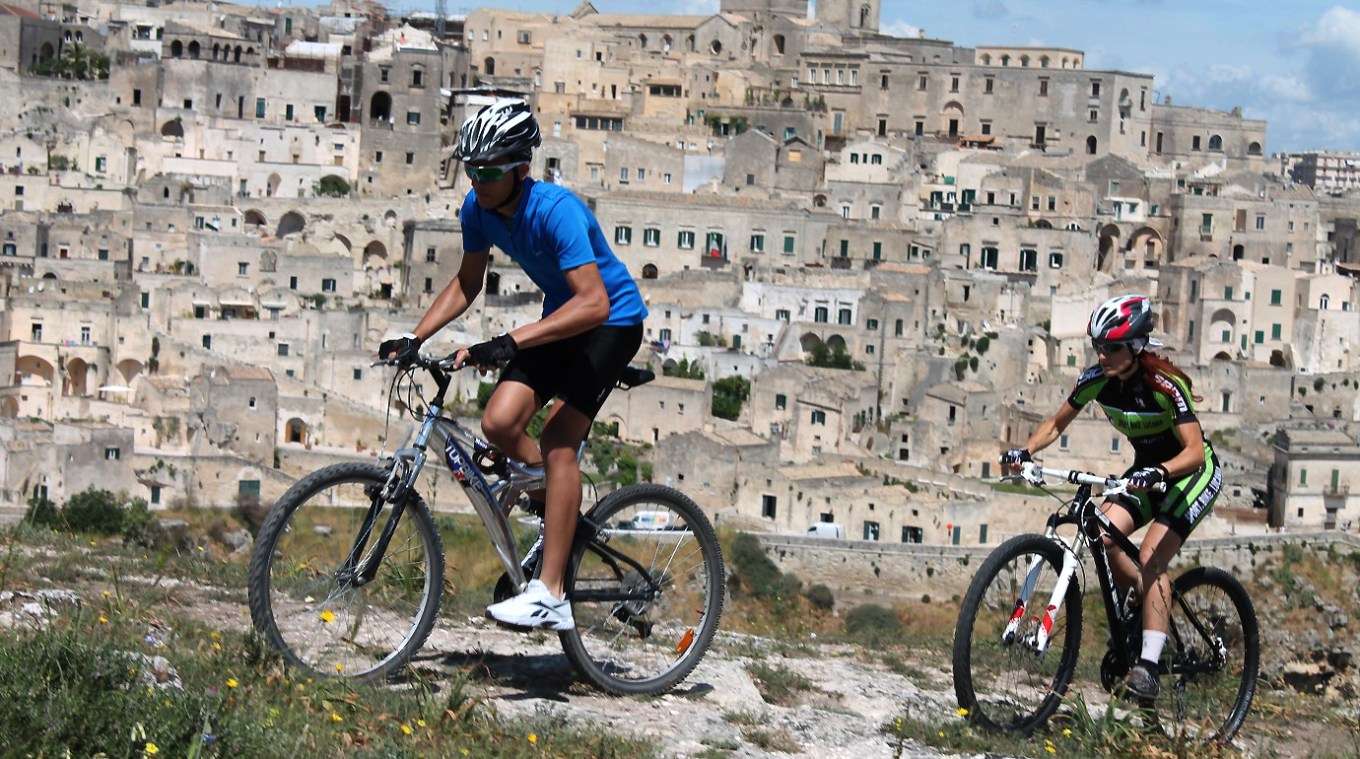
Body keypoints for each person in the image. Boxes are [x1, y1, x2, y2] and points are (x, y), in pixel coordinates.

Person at [379, 98, 648, 631]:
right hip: (563, 321)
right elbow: (467, 282)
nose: (476, 180)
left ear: (520, 169)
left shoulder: (556, 210)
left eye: (489, 171)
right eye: (470, 169)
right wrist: (413, 336)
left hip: (612, 323)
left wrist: (511, 341)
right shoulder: (477, 211)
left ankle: (551, 594)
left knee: (557, 442)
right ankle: (556, 503)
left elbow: (594, 302)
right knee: (499, 423)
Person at [1000, 294, 1222, 700]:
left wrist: (1160, 471)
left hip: (1189, 473)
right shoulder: (1096, 381)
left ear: (1136, 346)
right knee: (1102, 534)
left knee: (1153, 557)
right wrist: (1026, 452)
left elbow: (1192, 451)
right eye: (1097, 346)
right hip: (1145, 475)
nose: (1102, 354)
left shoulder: (1164, 386)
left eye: (1111, 347)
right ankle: (1152, 593)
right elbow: (1054, 423)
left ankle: (1149, 668)